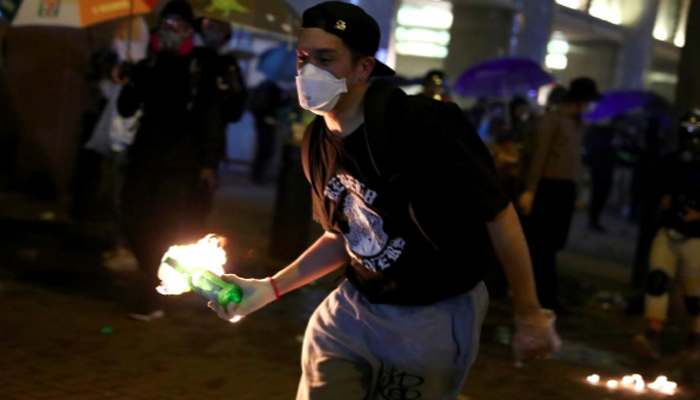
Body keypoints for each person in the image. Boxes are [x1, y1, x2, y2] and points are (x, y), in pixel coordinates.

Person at [208, 2, 560, 398]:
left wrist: (529, 313)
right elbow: (344, 236)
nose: (309, 72)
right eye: (303, 58)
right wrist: (269, 288)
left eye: (327, 59)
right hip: (353, 307)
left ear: (363, 68)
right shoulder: (318, 142)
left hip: (432, 315)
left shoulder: (420, 123)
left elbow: (497, 213)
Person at [117, 0, 227, 321]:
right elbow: (127, 107)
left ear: (190, 30)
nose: (169, 32)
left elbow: (212, 114)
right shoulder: (149, 63)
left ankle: (152, 295)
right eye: (165, 25)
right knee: (133, 219)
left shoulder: (202, 64)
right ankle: (153, 280)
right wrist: (129, 76)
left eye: (177, 26)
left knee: (164, 227)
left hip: (182, 163)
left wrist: (209, 162)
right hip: (145, 157)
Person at [518, 77, 602, 312]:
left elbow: (575, 161)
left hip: (563, 189)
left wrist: (576, 192)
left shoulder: (576, 124)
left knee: (551, 244)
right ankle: (541, 297)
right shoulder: (554, 120)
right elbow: (540, 156)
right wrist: (530, 190)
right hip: (548, 187)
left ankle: (544, 295)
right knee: (542, 245)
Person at [634, 109, 700, 359]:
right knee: (657, 280)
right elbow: (654, 189)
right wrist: (663, 200)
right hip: (669, 228)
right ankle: (652, 335)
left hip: (696, 236)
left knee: (695, 295)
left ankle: (695, 338)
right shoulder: (671, 161)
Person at [198, 16, 247, 124]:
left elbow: (235, 112)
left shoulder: (228, 65)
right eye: (210, 26)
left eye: (221, 29)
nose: (215, 33)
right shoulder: (190, 56)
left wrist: (234, 87)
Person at [585, 118, 621, 233]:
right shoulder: (604, 137)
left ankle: (594, 220)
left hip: (603, 170)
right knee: (598, 196)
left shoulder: (604, 136)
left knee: (599, 196)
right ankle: (593, 220)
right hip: (601, 170)